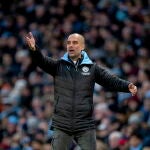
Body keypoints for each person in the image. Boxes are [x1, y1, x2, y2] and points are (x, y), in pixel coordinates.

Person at [25, 32, 137, 150]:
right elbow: (41, 61)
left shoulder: (92, 68)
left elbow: (110, 80)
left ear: (82, 46)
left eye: (75, 43)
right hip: (62, 122)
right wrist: (34, 49)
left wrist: (127, 86)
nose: (71, 45)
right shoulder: (58, 66)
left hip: (84, 123)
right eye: (68, 43)